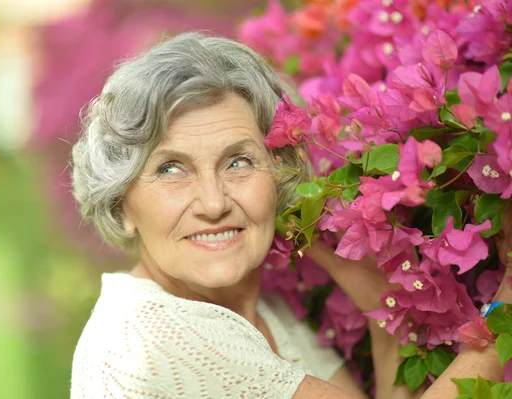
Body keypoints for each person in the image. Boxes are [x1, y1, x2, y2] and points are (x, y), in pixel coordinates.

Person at [69, 32, 511, 399]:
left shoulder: (261, 311)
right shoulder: (153, 343)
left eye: (238, 162)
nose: (213, 202)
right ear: (121, 204)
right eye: (171, 169)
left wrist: (381, 302)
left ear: (279, 172)